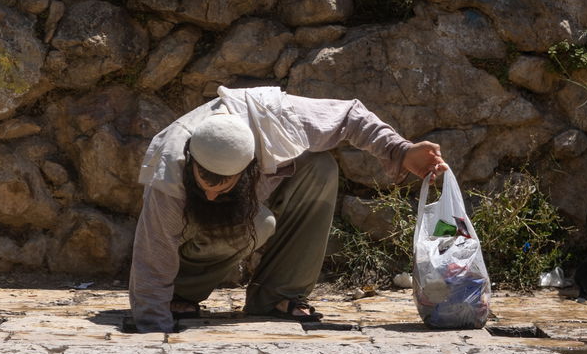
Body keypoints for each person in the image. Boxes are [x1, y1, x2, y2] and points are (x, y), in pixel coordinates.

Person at [129, 85, 447, 333]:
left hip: (246, 200)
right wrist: (154, 325)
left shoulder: (275, 118)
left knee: (320, 166)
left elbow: (350, 116)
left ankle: (275, 296)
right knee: (260, 223)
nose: (211, 197)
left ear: (249, 168)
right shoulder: (170, 170)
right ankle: (181, 295)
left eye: (222, 186)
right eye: (204, 184)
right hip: (185, 252)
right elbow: (153, 253)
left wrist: (400, 150)